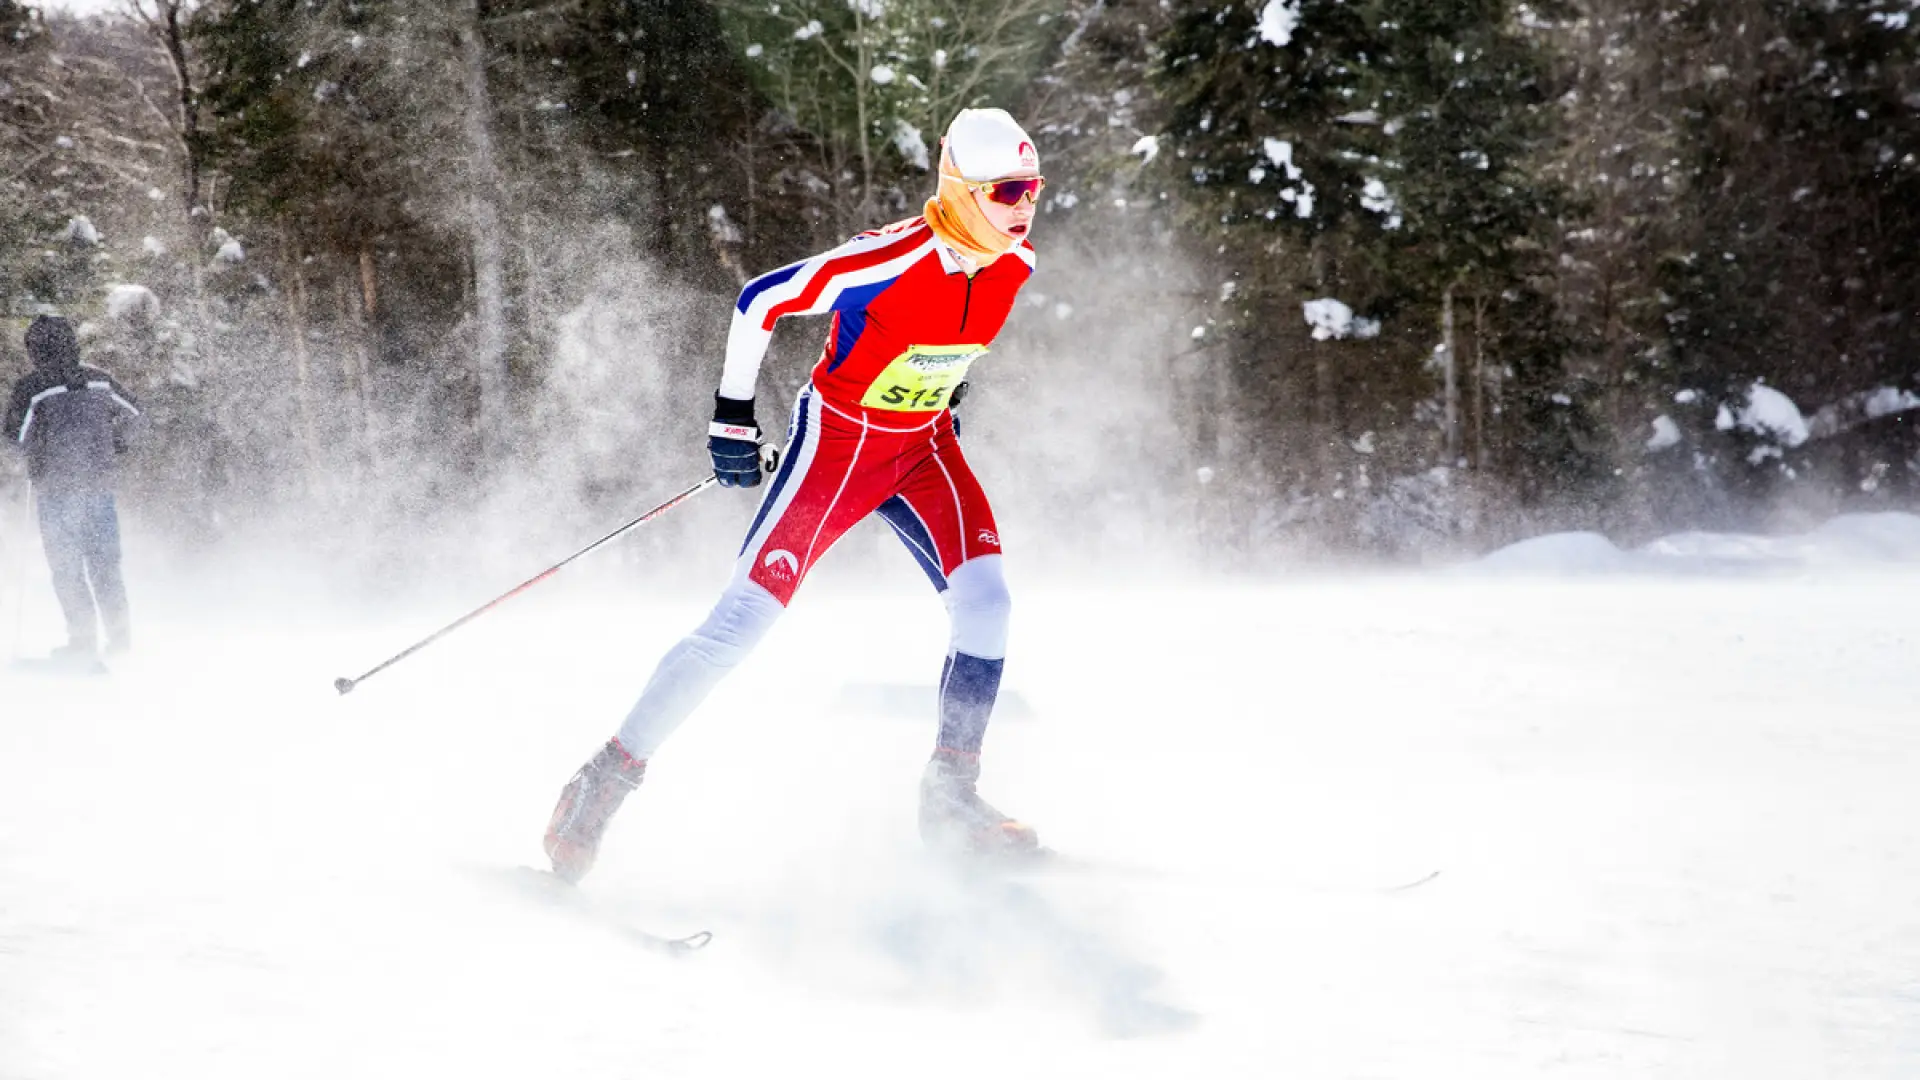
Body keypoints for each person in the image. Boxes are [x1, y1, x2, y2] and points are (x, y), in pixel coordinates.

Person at [544, 107, 1048, 883]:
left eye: (1034, 190)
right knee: (741, 623)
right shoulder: (890, 258)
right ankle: (601, 782)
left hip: (922, 450)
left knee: (987, 603)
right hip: (838, 450)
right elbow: (760, 301)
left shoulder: (1013, 266)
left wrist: (943, 387)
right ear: (959, 189)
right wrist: (732, 418)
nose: (1024, 207)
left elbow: (939, 342)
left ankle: (951, 795)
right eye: (1008, 190)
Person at [3, 315, 142, 660]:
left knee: (67, 568)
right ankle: (120, 641)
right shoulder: (100, 380)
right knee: (105, 565)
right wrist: (116, 445)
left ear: (35, 349)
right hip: (100, 486)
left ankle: (82, 642)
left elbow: (13, 439)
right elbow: (136, 417)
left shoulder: (32, 388)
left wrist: (34, 454)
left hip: (57, 489)